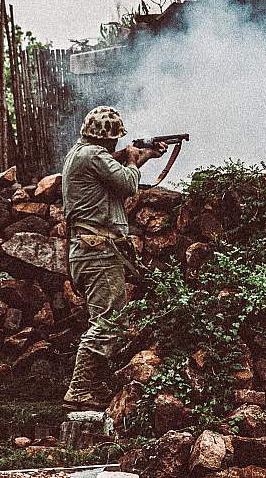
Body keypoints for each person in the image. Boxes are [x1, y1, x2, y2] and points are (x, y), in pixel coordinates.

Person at [61, 106, 166, 410]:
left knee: (106, 319)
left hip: (91, 249)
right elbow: (128, 184)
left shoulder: (84, 154)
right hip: (98, 250)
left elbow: (118, 171)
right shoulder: (94, 156)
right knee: (107, 321)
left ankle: (91, 385)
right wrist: (133, 158)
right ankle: (80, 389)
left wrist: (143, 156)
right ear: (108, 140)